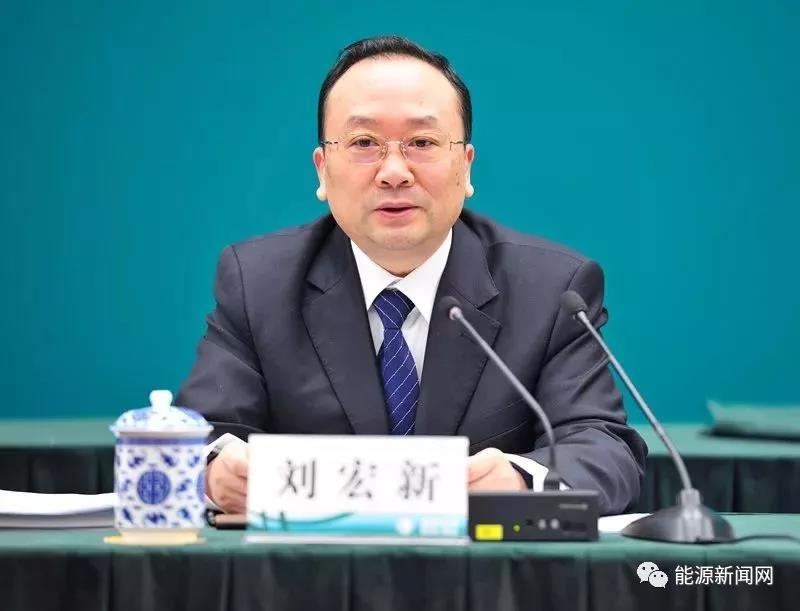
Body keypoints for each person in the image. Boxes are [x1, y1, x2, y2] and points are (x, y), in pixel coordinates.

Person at [176, 35, 647, 516]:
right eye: (364, 143)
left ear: (465, 166)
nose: (394, 172)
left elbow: (603, 447)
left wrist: (521, 482)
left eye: (422, 143)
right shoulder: (258, 283)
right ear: (322, 169)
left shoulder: (551, 289)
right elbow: (197, 438)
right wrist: (214, 473)